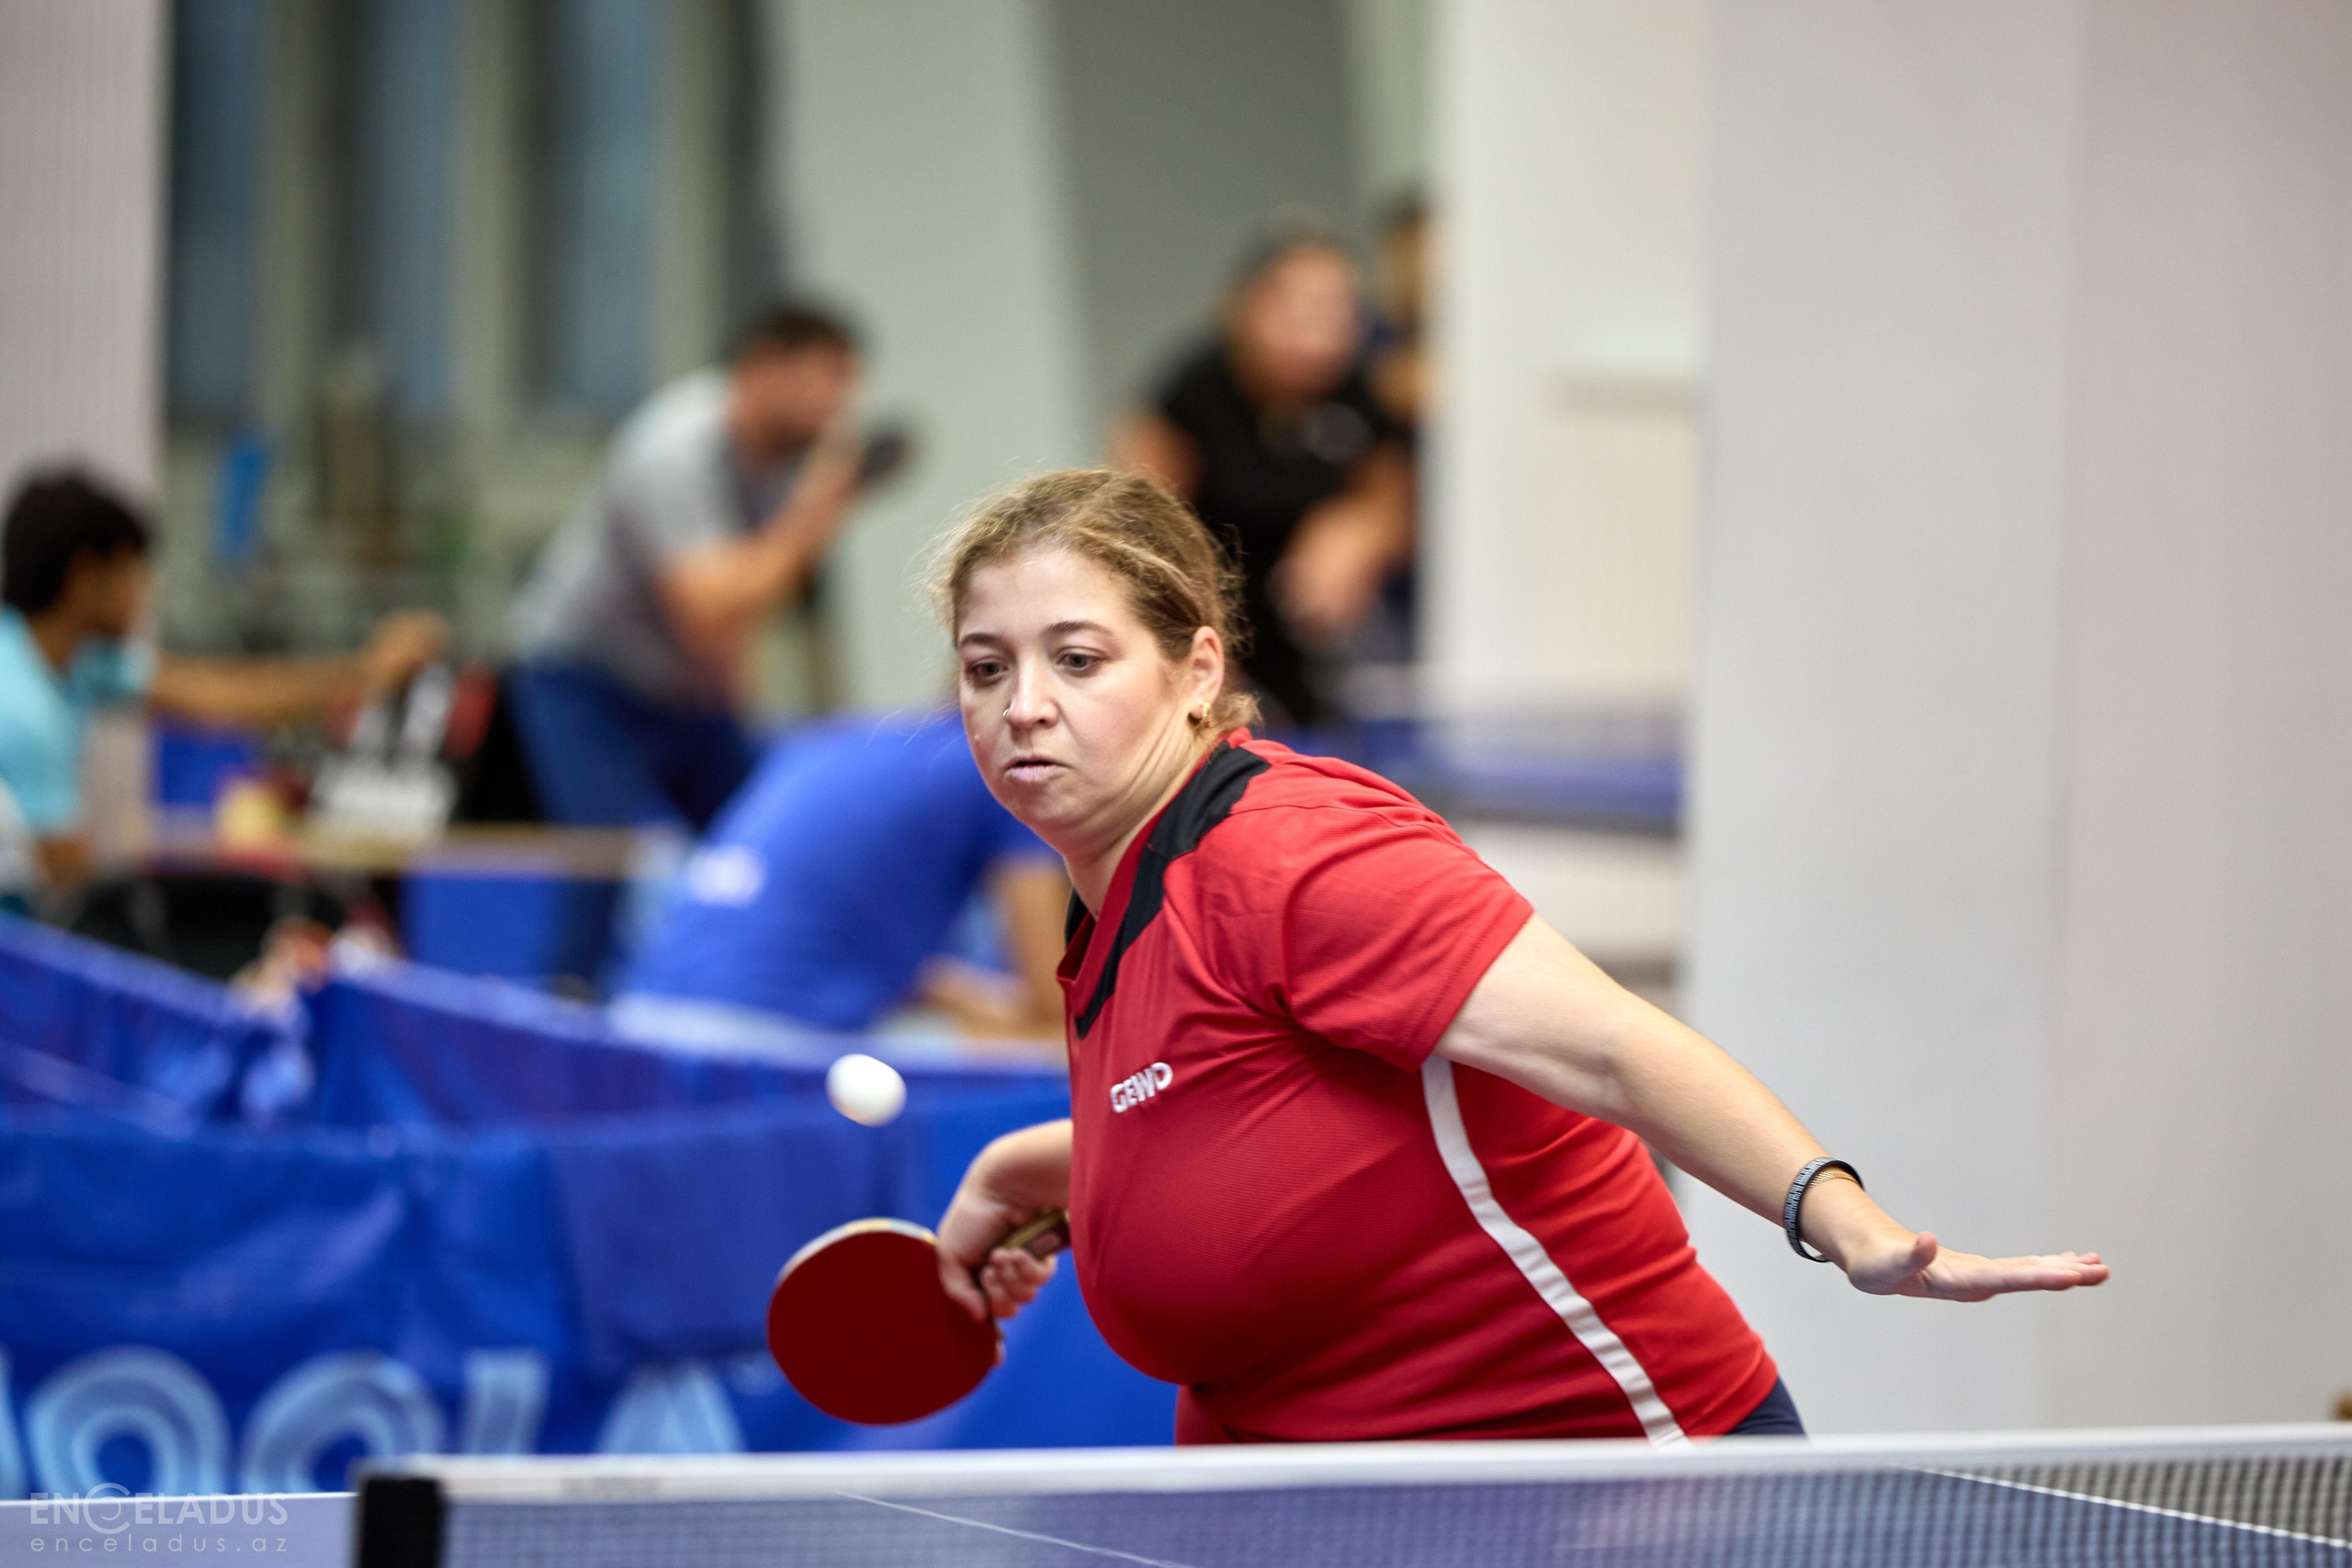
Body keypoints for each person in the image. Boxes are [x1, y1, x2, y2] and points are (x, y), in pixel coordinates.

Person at [925, 469, 2107, 1444]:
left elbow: (1607, 1047)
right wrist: (1028, 1173)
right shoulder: (1119, 900)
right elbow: (1245, 1108)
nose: (1024, 704)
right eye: (988, 668)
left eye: (1077, 659)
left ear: (1195, 675)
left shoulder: (1292, 854)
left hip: (1592, 1499)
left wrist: (1840, 1219)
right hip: (1334, 1505)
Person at [507, 302, 873, 830]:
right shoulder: (676, 447)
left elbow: (747, 605)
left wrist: (739, 711)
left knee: (763, 832)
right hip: (584, 676)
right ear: (766, 368)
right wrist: (811, 518)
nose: (839, 405)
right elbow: (705, 610)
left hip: (686, 686)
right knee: (616, 863)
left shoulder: (779, 463)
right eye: (828, 380)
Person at [0, 468, 446, 895]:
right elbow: (69, 890)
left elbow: (223, 694)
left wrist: (368, 672)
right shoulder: (24, 711)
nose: (148, 586)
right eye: (134, 569)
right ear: (85, 577)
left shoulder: (77, 659)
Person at [615, 709, 1067, 1043]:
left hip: (635, 1024)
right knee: (1056, 1054)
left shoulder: (826, 745)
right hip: (756, 1046)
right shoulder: (1004, 774)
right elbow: (1054, 1006)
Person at [1112, 229, 1413, 727]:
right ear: (1242, 308)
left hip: (1314, 629)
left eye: (1339, 312)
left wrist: (1361, 530)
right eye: (1298, 310)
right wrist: (1193, 640)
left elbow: (1392, 503)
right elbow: (1140, 535)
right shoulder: (1192, 392)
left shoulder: (1363, 391)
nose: (1320, 332)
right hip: (1214, 621)